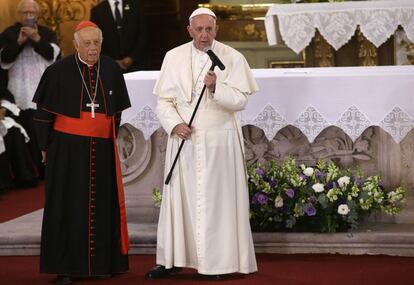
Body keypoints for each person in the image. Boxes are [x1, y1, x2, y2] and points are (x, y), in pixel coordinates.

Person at [145, 7, 258, 280]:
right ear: (189, 30)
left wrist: (216, 88)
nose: (204, 35)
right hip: (184, 139)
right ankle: (172, 259)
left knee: (216, 202)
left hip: (220, 142)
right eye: (199, 29)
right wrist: (175, 125)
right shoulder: (173, 57)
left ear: (216, 30)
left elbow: (241, 100)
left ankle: (218, 263)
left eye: (209, 29)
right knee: (178, 201)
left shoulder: (232, 58)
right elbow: (164, 101)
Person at [32, 21, 131, 285]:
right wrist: (44, 147)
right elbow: (42, 115)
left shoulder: (111, 69)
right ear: (75, 44)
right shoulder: (58, 72)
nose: (92, 48)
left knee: (103, 205)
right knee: (67, 205)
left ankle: (102, 264)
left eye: (96, 43)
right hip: (67, 150)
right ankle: (67, 268)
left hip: (102, 149)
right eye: (86, 43)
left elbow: (116, 113)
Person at [0, 0, 60, 178]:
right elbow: (4, 60)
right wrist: (19, 42)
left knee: (43, 129)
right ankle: (30, 172)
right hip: (19, 89)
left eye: (31, 12)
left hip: (41, 87)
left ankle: (47, 169)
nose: (28, 16)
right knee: (26, 127)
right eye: (25, 12)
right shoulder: (8, 33)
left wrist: (36, 39)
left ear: (38, 14)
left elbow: (52, 56)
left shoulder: (47, 33)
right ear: (19, 15)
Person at [90, 0, 146, 72]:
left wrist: (132, 57)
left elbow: (143, 34)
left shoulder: (136, 6)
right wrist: (112, 61)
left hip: (136, 66)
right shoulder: (97, 11)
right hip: (108, 68)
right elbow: (95, 40)